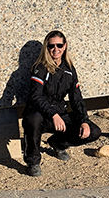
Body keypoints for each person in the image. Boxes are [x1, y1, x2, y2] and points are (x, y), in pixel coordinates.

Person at [21, 30, 102, 177]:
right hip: (40, 113)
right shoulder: (40, 68)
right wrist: (53, 115)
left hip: (59, 113)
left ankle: (58, 143)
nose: (55, 49)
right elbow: (36, 97)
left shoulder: (70, 69)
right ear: (47, 47)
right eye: (51, 46)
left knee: (93, 131)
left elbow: (76, 99)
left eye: (59, 45)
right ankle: (32, 162)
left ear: (64, 46)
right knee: (32, 120)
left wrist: (83, 121)